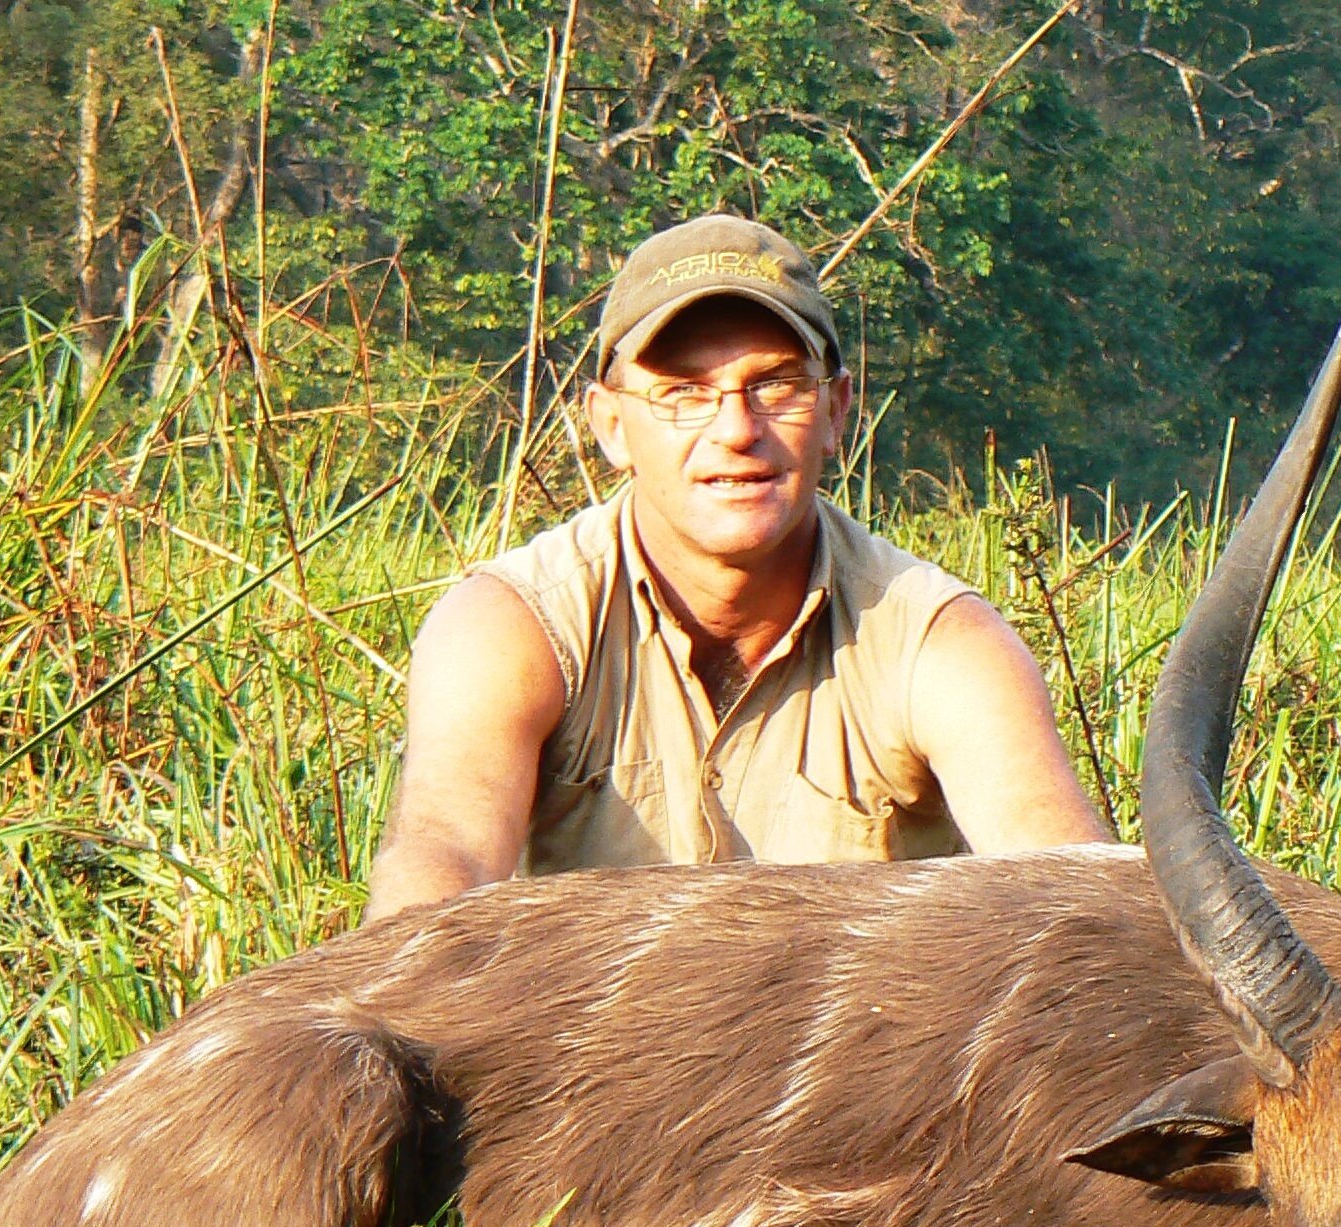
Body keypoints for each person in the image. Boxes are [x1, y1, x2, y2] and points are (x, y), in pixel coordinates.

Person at [365, 213, 1107, 921]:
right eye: (683, 393)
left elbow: (1072, 894)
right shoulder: (512, 625)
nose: (735, 430)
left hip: (859, 1053)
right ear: (611, 426)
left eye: (776, 385)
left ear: (836, 412)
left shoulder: (941, 643)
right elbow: (446, 856)